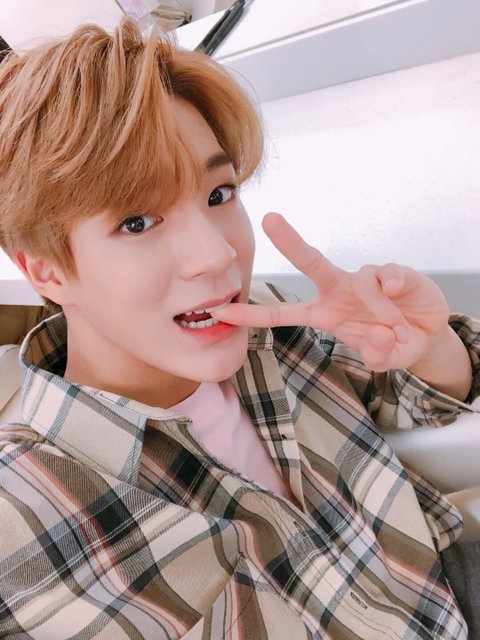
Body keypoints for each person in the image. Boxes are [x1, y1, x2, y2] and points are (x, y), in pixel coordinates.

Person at [0, 18, 477, 640]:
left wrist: (428, 343)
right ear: (46, 269)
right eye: (137, 222)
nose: (218, 254)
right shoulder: (26, 514)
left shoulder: (276, 330)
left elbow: (423, 404)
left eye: (218, 194)